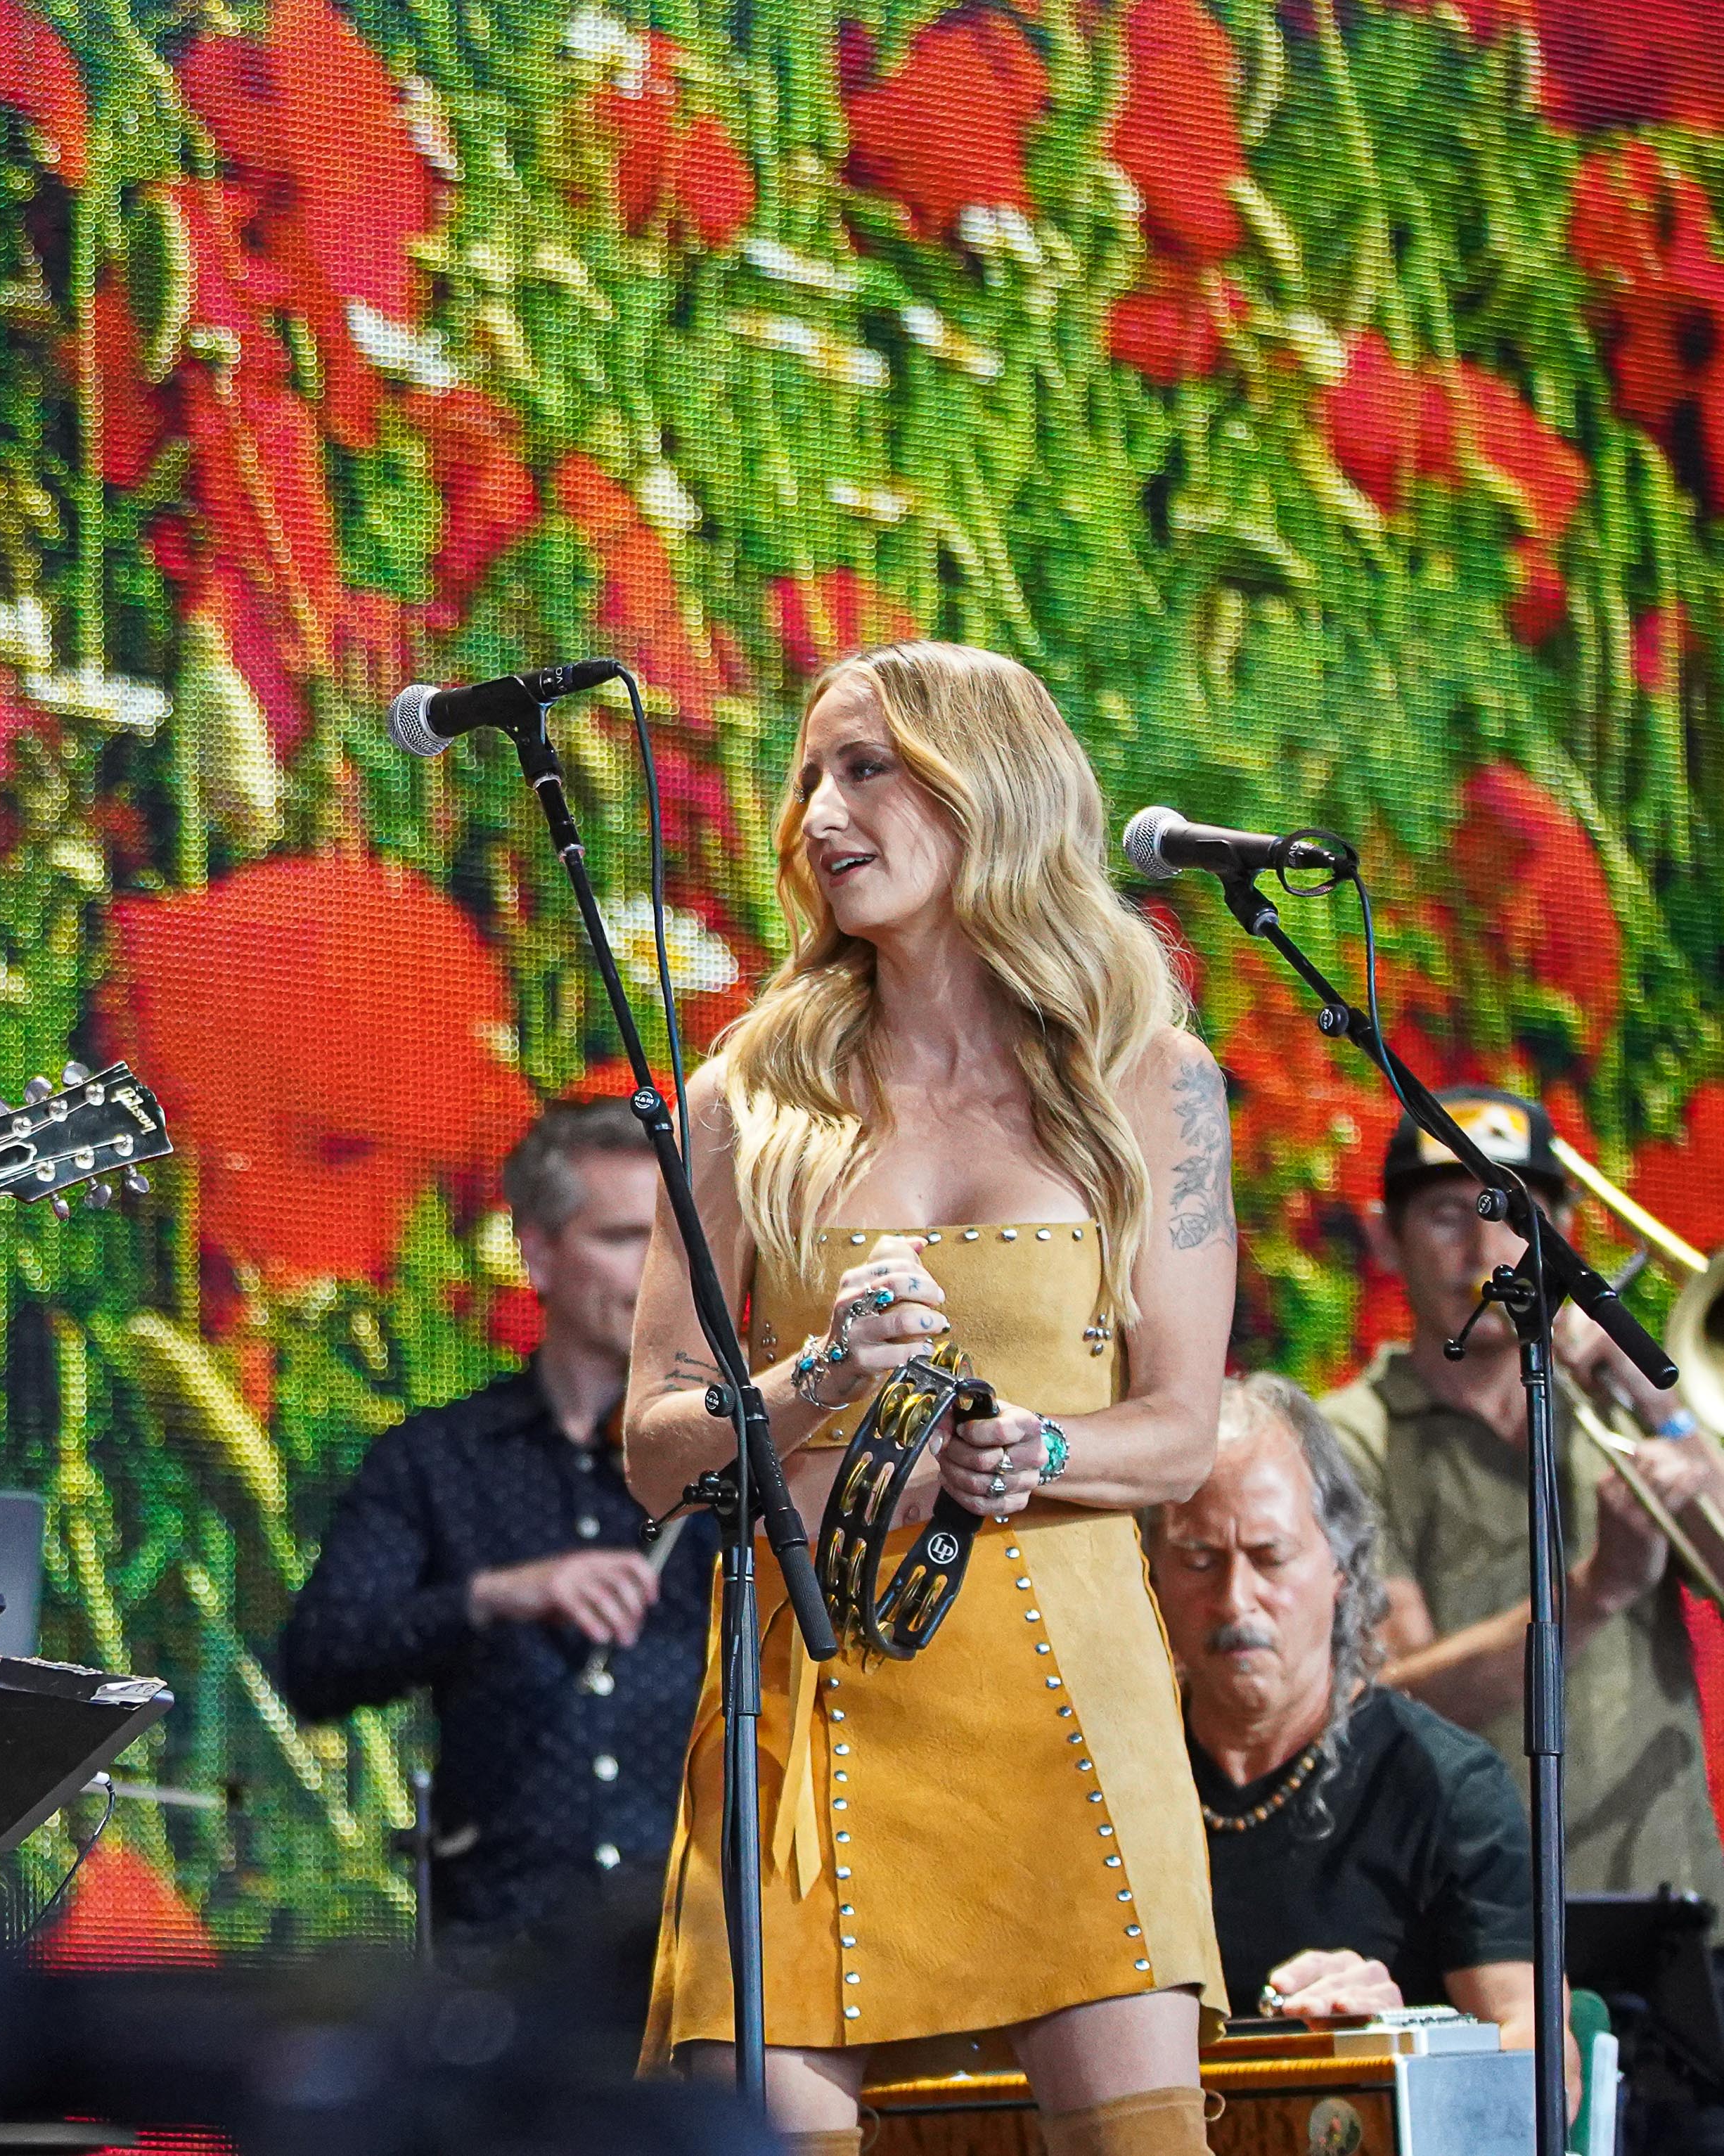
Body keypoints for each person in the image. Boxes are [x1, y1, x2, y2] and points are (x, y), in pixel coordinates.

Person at [618, 642, 1235, 2156]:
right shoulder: (740, 1098)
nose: (821, 812)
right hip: (806, 1708)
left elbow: (1179, 1430)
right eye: (811, 775)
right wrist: (819, 1370)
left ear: (992, 793)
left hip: (1066, 1709)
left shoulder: (1152, 1081)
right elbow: (651, 1447)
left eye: (867, 768)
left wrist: (1038, 1447)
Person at [269, 1098, 712, 1961]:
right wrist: (493, 1596)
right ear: (538, 1254)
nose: (657, 1269)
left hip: (707, 1942)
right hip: (508, 1948)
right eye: (623, 1238)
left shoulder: (719, 1453)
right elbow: (317, 1663)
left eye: (674, 1240)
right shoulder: (436, 1460)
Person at [1319, 1086, 1724, 1904]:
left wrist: (1667, 1418)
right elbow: (1391, 1699)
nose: (1485, 1251)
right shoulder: (1346, 1436)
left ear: (1562, 1239)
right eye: (1445, 1215)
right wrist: (1598, 1588)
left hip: (1673, 1890)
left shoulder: (1625, 1410)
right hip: (1477, 1913)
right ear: (1382, 1238)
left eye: (1514, 1214)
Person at [1147, 1373, 1540, 2047]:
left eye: (1271, 1558)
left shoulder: (1442, 1782)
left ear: (1341, 1567)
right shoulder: (1113, 1771)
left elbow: (1538, 2055)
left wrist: (1399, 2028)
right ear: (1151, 1570)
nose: (1237, 1600)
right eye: (1200, 1560)